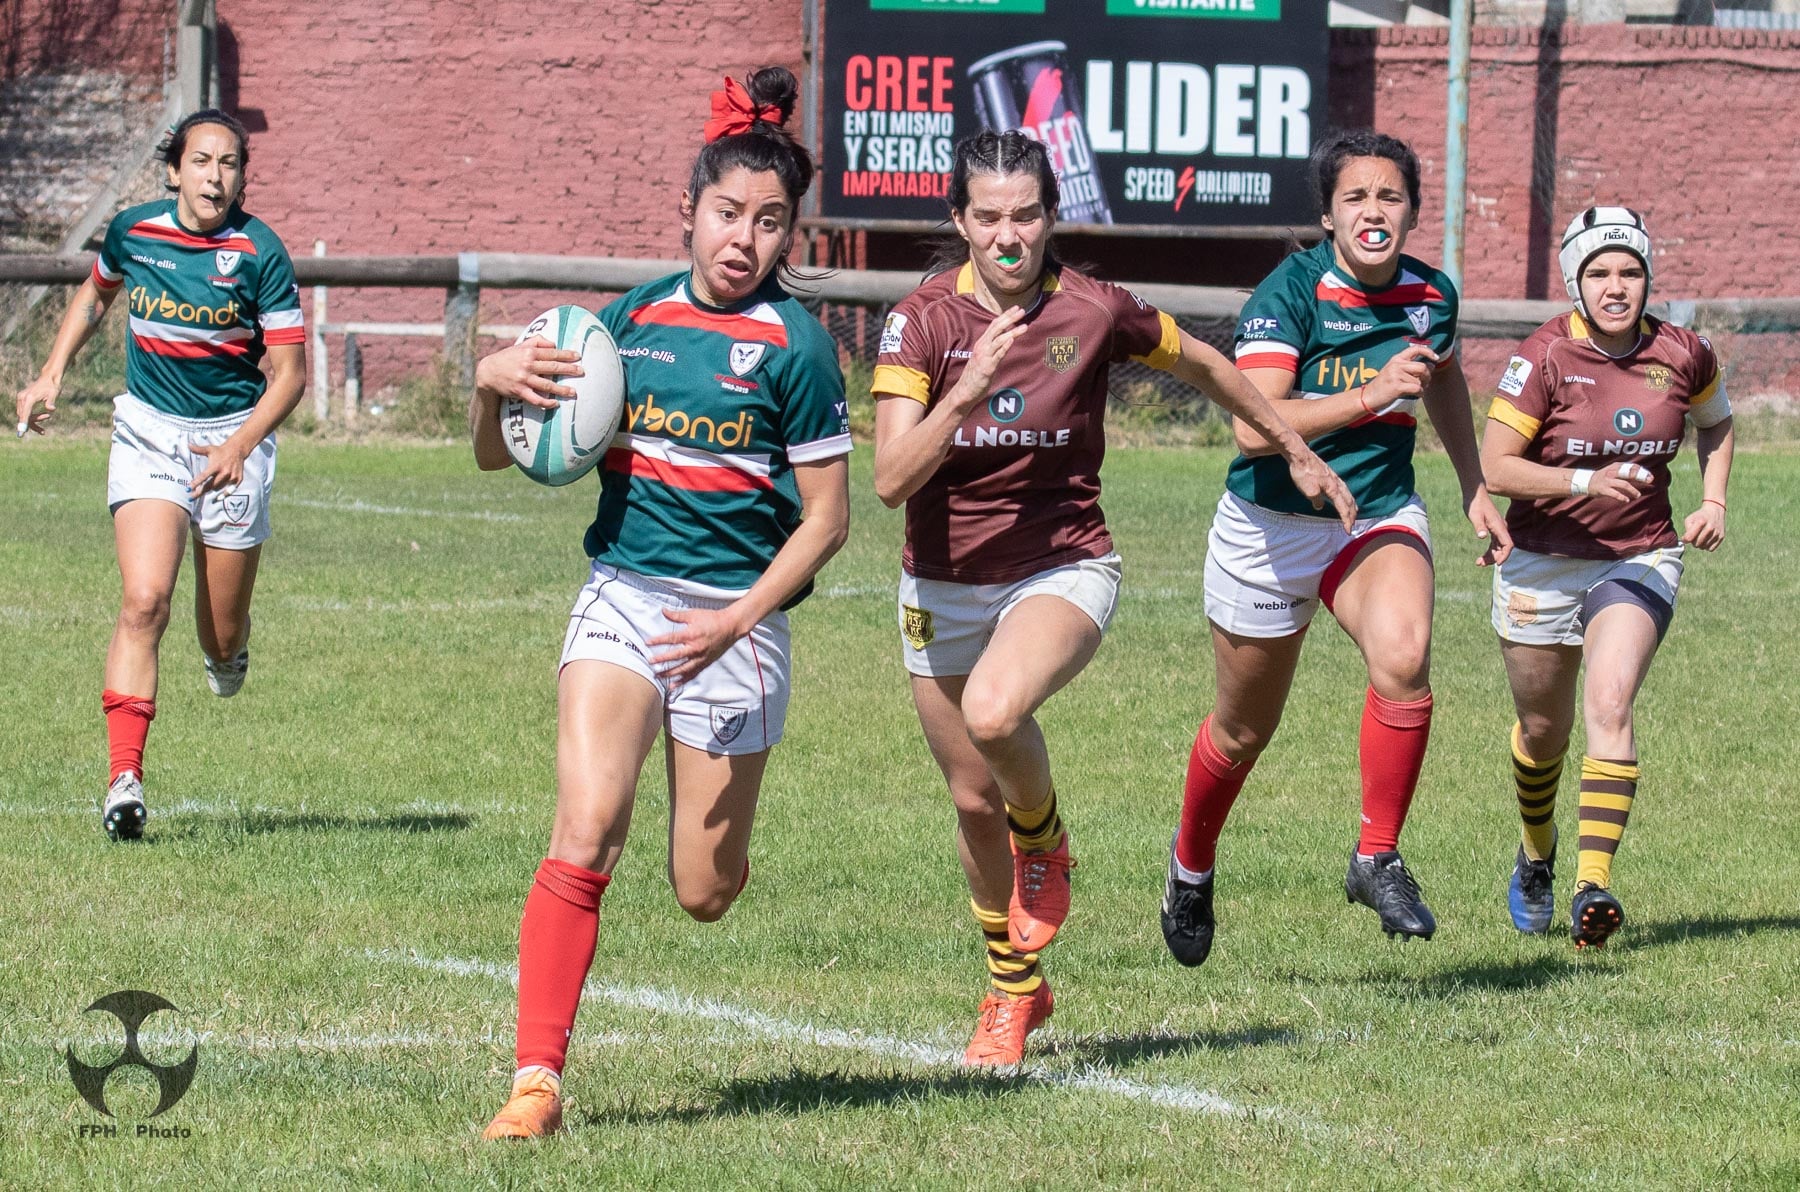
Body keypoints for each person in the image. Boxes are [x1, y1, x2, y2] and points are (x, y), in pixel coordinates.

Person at [872, 130, 1354, 1066]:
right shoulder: (921, 325)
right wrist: (964, 392)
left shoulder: (1094, 309)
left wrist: (1292, 445)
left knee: (996, 711)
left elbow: (1210, 367)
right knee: (973, 799)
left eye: (1026, 215)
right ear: (959, 222)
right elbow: (891, 477)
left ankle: (1045, 844)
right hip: (940, 582)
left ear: (1052, 216)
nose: (1008, 236)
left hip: (1064, 563)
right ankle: (1014, 992)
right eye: (988, 218)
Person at [469, 67, 852, 1139]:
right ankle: (536, 1082)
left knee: (704, 888)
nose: (745, 238)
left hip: (737, 621)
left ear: (791, 236)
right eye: (728, 212)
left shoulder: (799, 350)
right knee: (586, 827)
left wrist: (738, 620)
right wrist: (493, 380)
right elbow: (504, 461)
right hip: (627, 596)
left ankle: (723, 840)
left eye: (771, 223)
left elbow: (828, 521)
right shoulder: (619, 326)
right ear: (687, 211)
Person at [1160, 130, 1512, 966]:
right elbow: (1253, 427)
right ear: (1328, 214)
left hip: (1374, 512)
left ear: (1412, 211)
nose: (1373, 211)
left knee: (1405, 650)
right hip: (1271, 527)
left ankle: (1375, 856)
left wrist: (1473, 485)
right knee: (1243, 731)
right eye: (1355, 197)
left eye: (1389, 196)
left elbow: (1447, 378)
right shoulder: (1288, 295)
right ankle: (1191, 864)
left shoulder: (1432, 295)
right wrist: (1370, 392)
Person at [14, 109, 306, 841]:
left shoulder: (260, 251)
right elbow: (95, 294)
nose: (216, 175)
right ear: (174, 170)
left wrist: (239, 446)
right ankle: (124, 780)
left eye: (230, 164)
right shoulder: (133, 231)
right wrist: (52, 371)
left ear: (242, 178)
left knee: (220, 632)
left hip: (231, 442)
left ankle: (227, 653)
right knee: (145, 601)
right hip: (148, 431)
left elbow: (292, 377)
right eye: (202, 161)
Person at [1481, 206, 1732, 948]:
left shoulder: (1686, 352)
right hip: (1539, 561)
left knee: (1611, 702)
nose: (1616, 286)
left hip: (1640, 554)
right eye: (1599, 273)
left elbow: (1715, 422)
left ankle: (1594, 885)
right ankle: (1537, 857)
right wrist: (1584, 483)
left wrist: (1713, 498)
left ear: (1648, 277)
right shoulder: (1545, 356)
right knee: (1542, 729)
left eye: (1630, 271)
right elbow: (1498, 467)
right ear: (1575, 281)